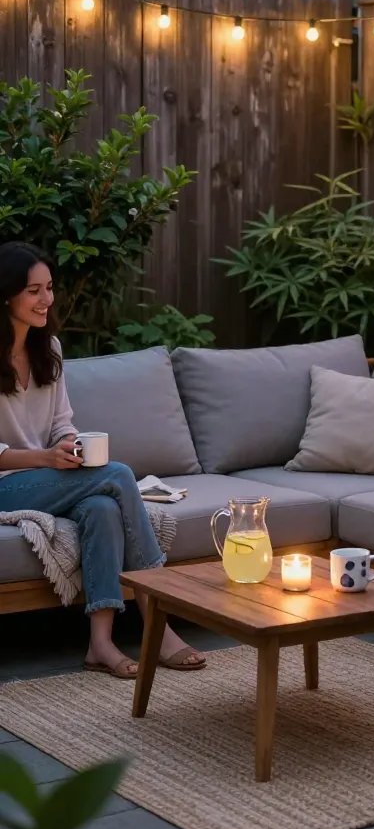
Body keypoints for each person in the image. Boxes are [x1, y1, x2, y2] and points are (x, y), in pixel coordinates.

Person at [0, 241, 206, 678]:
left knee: (102, 508)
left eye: (49, 288)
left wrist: (69, 445)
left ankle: (100, 644)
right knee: (118, 475)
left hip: (45, 477)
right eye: (34, 291)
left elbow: (62, 422)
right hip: (7, 486)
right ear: (6, 296)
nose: (46, 299)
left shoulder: (49, 349)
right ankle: (158, 620)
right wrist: (44, 458)